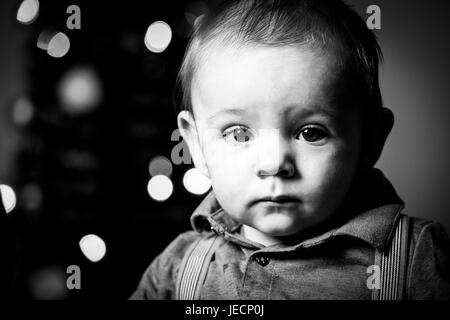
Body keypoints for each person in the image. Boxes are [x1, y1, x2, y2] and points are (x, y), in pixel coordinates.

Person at [131, 0, 450, 299]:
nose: (273, 164)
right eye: (239, 133)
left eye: (310, 133)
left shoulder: (412, 259)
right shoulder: (177, 270)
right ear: (197, 146)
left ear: (369, 142)